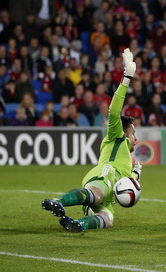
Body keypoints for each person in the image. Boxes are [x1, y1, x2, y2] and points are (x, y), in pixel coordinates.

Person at [42, 49, 142, 232]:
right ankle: (57, 202)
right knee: (96, 196)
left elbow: (127, 183)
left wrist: (136, 174)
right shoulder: (116, 136)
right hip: (104, 175)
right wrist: (126, 78)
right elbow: (113, 111)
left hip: (111, 192)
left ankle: (78, 224)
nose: (136, 138)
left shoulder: (128, 160)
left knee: (108, 219)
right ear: (125, 132)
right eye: (133, 133)